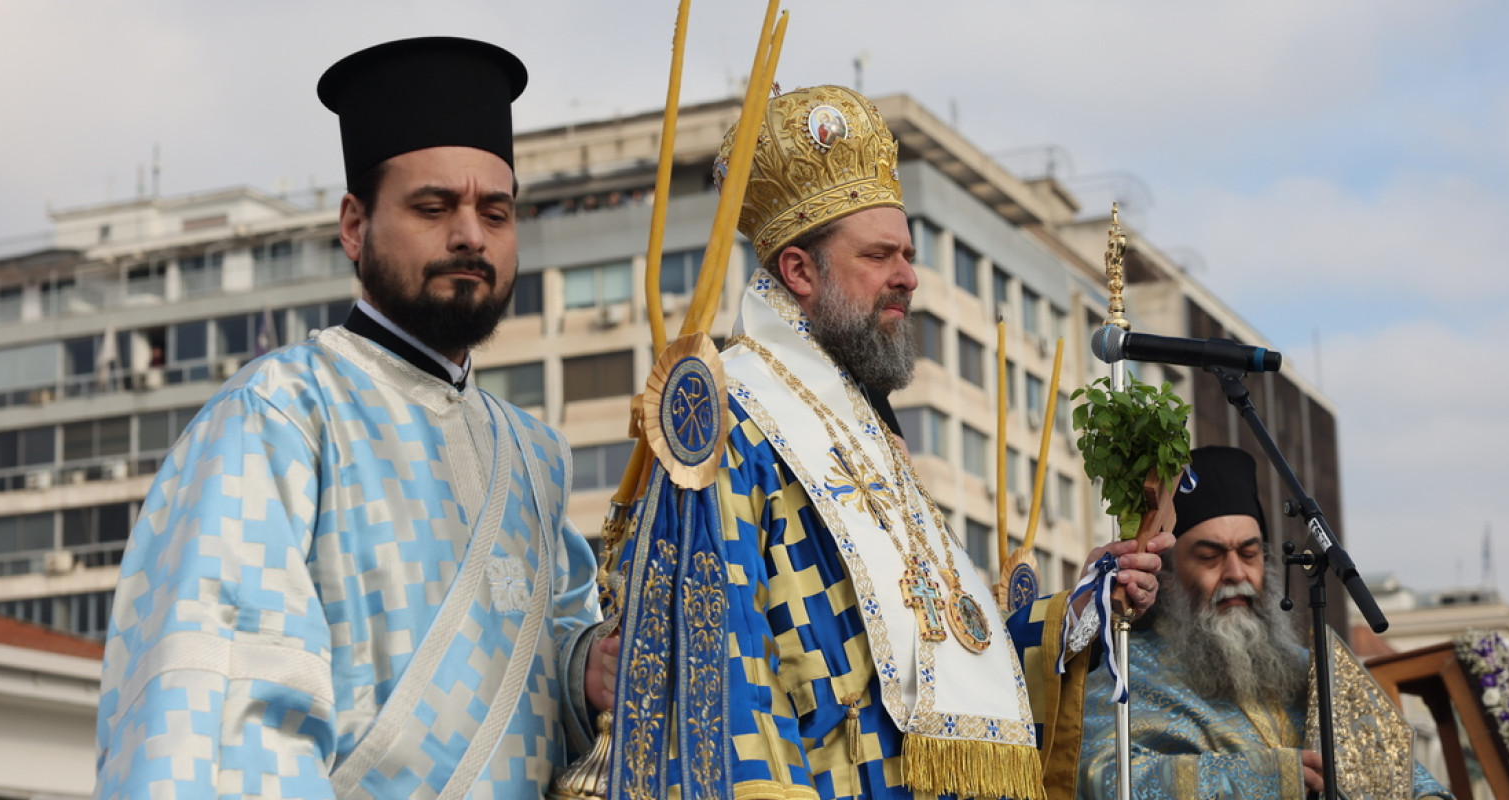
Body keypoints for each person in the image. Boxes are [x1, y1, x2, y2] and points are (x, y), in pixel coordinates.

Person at [603, 84, 1170, 800]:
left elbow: (947, 655)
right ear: (799, 271)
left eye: (907, 253)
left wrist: (1081, 609)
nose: (909, 277)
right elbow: (722, 676)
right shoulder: (732, 418)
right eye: (880, 256)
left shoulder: (871, 433)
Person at [94, 37, 612, 799]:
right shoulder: (278, 417)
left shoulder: (534, 453)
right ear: (353, 225)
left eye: (494, 212)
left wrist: (585, 672)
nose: (470, 234)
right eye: (433, 207)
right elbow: (232, 713)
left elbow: (545, 675)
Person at [1077, 446, 1451, 799]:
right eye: (1210, 556)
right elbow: (1103, 778)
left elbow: (1402, 778)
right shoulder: (1126, 670)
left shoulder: (1312, 670)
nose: (1236, 573)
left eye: (1249, 553)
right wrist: (1265, 779)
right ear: (1170, 577)